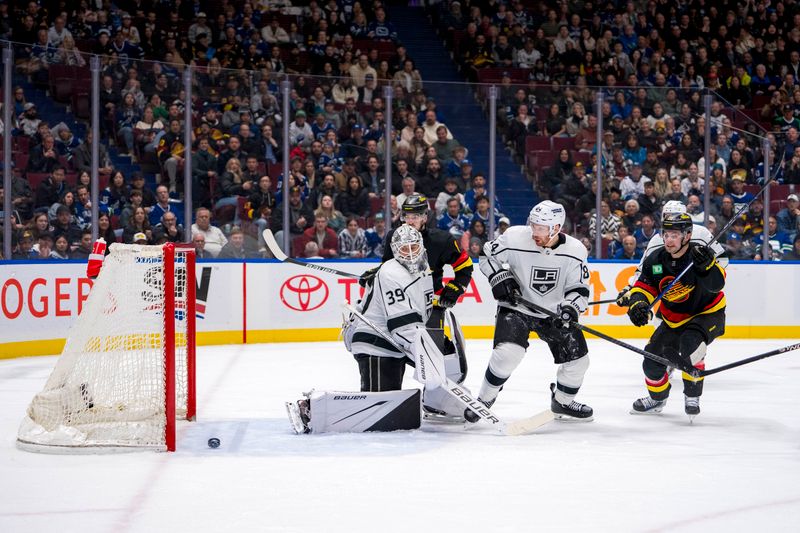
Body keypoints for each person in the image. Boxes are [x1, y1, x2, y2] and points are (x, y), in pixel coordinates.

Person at [466, 200, 593, 422]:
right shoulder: (515, 236)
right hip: (517, 307)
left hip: (553, 315)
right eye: (533, 225)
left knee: (579, 360)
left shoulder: (575, 250)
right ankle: (484, 399)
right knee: (507, 355)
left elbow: (579, 289)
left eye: (541, 228)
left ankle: (562, 402)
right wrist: (498, 277)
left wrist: (570, 308)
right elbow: (487, 255)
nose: (534, 231)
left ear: (556, 228)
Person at [625, 213, 726, 419]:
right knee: (651, 362)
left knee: (691, 346)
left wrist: (708, 267)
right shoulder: (656, 259)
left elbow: (717, 285)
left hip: (706, 314)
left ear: (687, 236)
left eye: (674, 235)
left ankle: (692, 395)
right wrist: (638, 303)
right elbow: (644, 286)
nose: (668, 240)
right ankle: (657, 398)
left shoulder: (700, 256)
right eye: (666, 235)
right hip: (673, 318)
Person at [617, 201, 727, 306]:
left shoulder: (701, 233)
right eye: (667, 215)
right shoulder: (657, 239)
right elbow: (644, 269)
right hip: (673, 298)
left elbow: (722, 260)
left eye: (675, 215)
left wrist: (708, 275)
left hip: (700, 298)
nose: (671, 220)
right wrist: (631, 289)